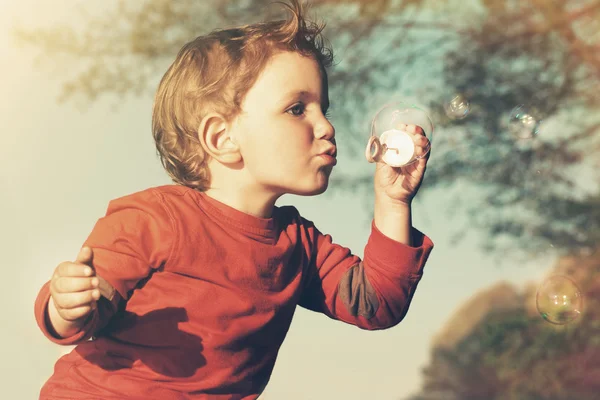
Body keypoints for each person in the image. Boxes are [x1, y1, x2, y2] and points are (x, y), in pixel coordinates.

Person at [34, 0, 434, 398]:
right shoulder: (154, 219)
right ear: (221, 138)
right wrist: (67, 306)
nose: (326, 126)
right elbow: (86, 310)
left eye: (322, 109)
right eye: (297, 109)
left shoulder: (300, 247)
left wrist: (393, 202)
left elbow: (376, 302)